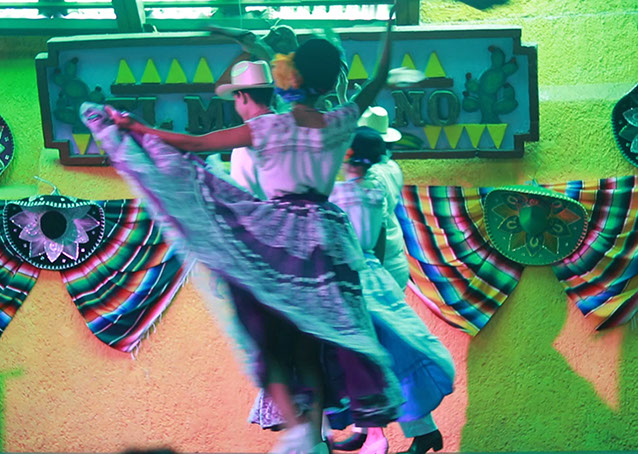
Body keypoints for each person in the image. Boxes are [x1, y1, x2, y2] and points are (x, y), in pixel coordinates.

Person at [80, 11, 400, 454]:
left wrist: (137, 128)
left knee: (270, 333)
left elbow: (195, 144)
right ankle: (311, 436)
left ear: (289, 76)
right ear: (329, 82)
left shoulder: (269, 126)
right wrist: (389, 29)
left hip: (281, 236)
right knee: (315, 344)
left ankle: (302, 432)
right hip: (327, 242)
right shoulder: (339, 122)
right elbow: (377, 80)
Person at [329, 128, 455, 454]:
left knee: (383, 355)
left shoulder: (352, 192)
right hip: (374, 272)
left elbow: (353, 240)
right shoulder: (378, 180)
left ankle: (401, 430)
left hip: (360, 279)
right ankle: (377, 427)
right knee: (378, 354)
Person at [358, 106, 410, 291]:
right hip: (396, 256)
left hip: (382, 263)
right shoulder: (392, 167)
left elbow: (380, 226)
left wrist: (376, 273)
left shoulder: (373, 176)